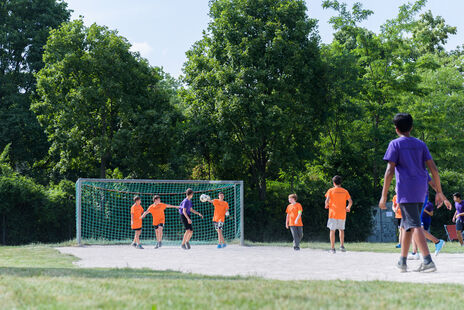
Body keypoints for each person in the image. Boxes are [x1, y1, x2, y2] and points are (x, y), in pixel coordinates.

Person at [379, 113, 448, 273]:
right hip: (420, 190)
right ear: (411, 127)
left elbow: (389, 171)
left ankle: (427, 261)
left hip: (406, 189)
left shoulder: (395, 144)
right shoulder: (420, 144)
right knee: (407, 225)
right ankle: (402, 261)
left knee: (414, 224)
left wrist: (383, 196)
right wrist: (439, 191)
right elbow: (434, 169)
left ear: (396, 129)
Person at [325, 175, 352, 254]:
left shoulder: (330, 190)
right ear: (341, 182)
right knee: (341, 230)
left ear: (333, 183)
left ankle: (333, 249)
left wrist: (326, 205)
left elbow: (327, 200)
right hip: (342, 213)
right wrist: (348, 207)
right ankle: (342, 246)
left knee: (332, 230)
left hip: (333, 213)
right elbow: (350, 201)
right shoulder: (345, 191)